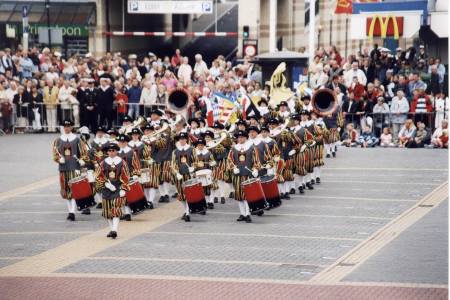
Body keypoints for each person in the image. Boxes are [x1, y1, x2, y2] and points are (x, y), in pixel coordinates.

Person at [51, 119, 91, 221]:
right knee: (65, 191)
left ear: (72, 127)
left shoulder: (77, 140)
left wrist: (82, 160)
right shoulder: (58, 140)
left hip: (74, 168)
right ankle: (70, 210)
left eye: (68, 126)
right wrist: (59, 159)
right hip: (63, 169)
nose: (67, 128)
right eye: (65, 126)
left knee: (74, 191)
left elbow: (84, 153)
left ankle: (72, 212)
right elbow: (54, 154)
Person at [95, 142, 130, 239]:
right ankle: (111, 229)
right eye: (109, 151)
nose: (111, 152)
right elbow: (98, 176)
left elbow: (126, 176)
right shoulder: (103, 162)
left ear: (116, 151)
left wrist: (123, 188)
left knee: (116, 209)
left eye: (113, 150)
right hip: (107, 190)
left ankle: (115, 229)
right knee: (108, 212)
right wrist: (106, 183)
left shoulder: (122, 162)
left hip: (118, 189)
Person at [227, 130, 261, 223]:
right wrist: (233, 168)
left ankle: (248, 214)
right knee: (239, 195)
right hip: (237, 175)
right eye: (238, 137)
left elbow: (256, 160)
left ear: (246, 138)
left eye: (242, 137)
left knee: (247, 195)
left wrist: (255, 169)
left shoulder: (251, 147)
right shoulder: (234, 149)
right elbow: (229, 160)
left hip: (248, 175)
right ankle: (242, 213)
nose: (240, 139)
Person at [171, 132, 196, 222]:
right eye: (180, 139)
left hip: (188, 175)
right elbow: (173, 164)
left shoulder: (191, 149)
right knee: (181, 195)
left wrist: (193, 167)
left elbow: (196, 161)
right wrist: (176, 172)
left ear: (186, 139)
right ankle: (186, 210)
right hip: (179, 176)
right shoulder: (175, 151)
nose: (182, 140)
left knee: (189, 194)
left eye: (183, 139)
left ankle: (188, 213)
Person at [193, 137, 217, 209]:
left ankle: (211, 201)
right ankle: (206, 202)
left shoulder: (208, 153)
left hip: (207, 172)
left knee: (210, 187)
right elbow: (192, 163)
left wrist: (213, 164)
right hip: (198, 173)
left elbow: (213, 162)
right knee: (202, 188)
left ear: (204, 145)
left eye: (202, 145)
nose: (200, 146)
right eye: (199, 145)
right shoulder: (194, 153)